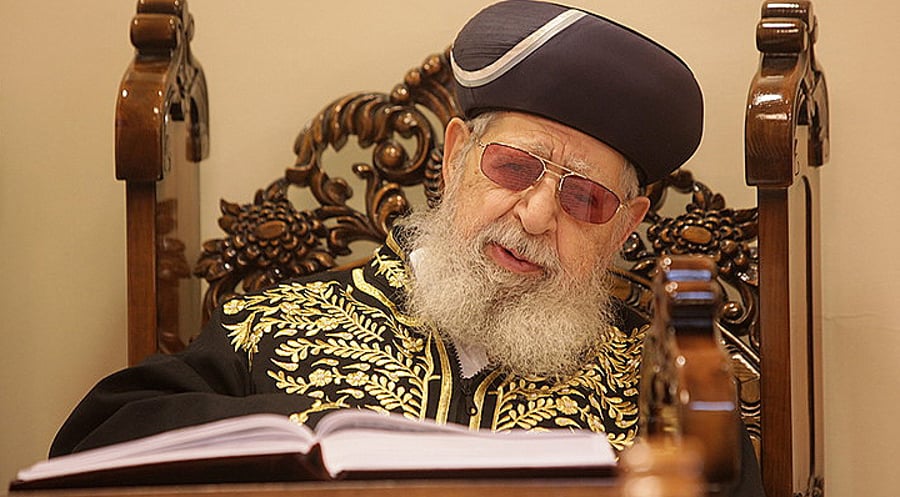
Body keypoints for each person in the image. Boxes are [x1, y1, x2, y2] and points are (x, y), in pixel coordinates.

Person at [50, 1, 762, 495]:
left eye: (585, 199)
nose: (538, 214)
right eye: (513, 168)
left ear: (625, 226)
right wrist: (314, 430)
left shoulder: (664, 383)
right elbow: (95, 440)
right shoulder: (276, 323)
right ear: (454, 158)